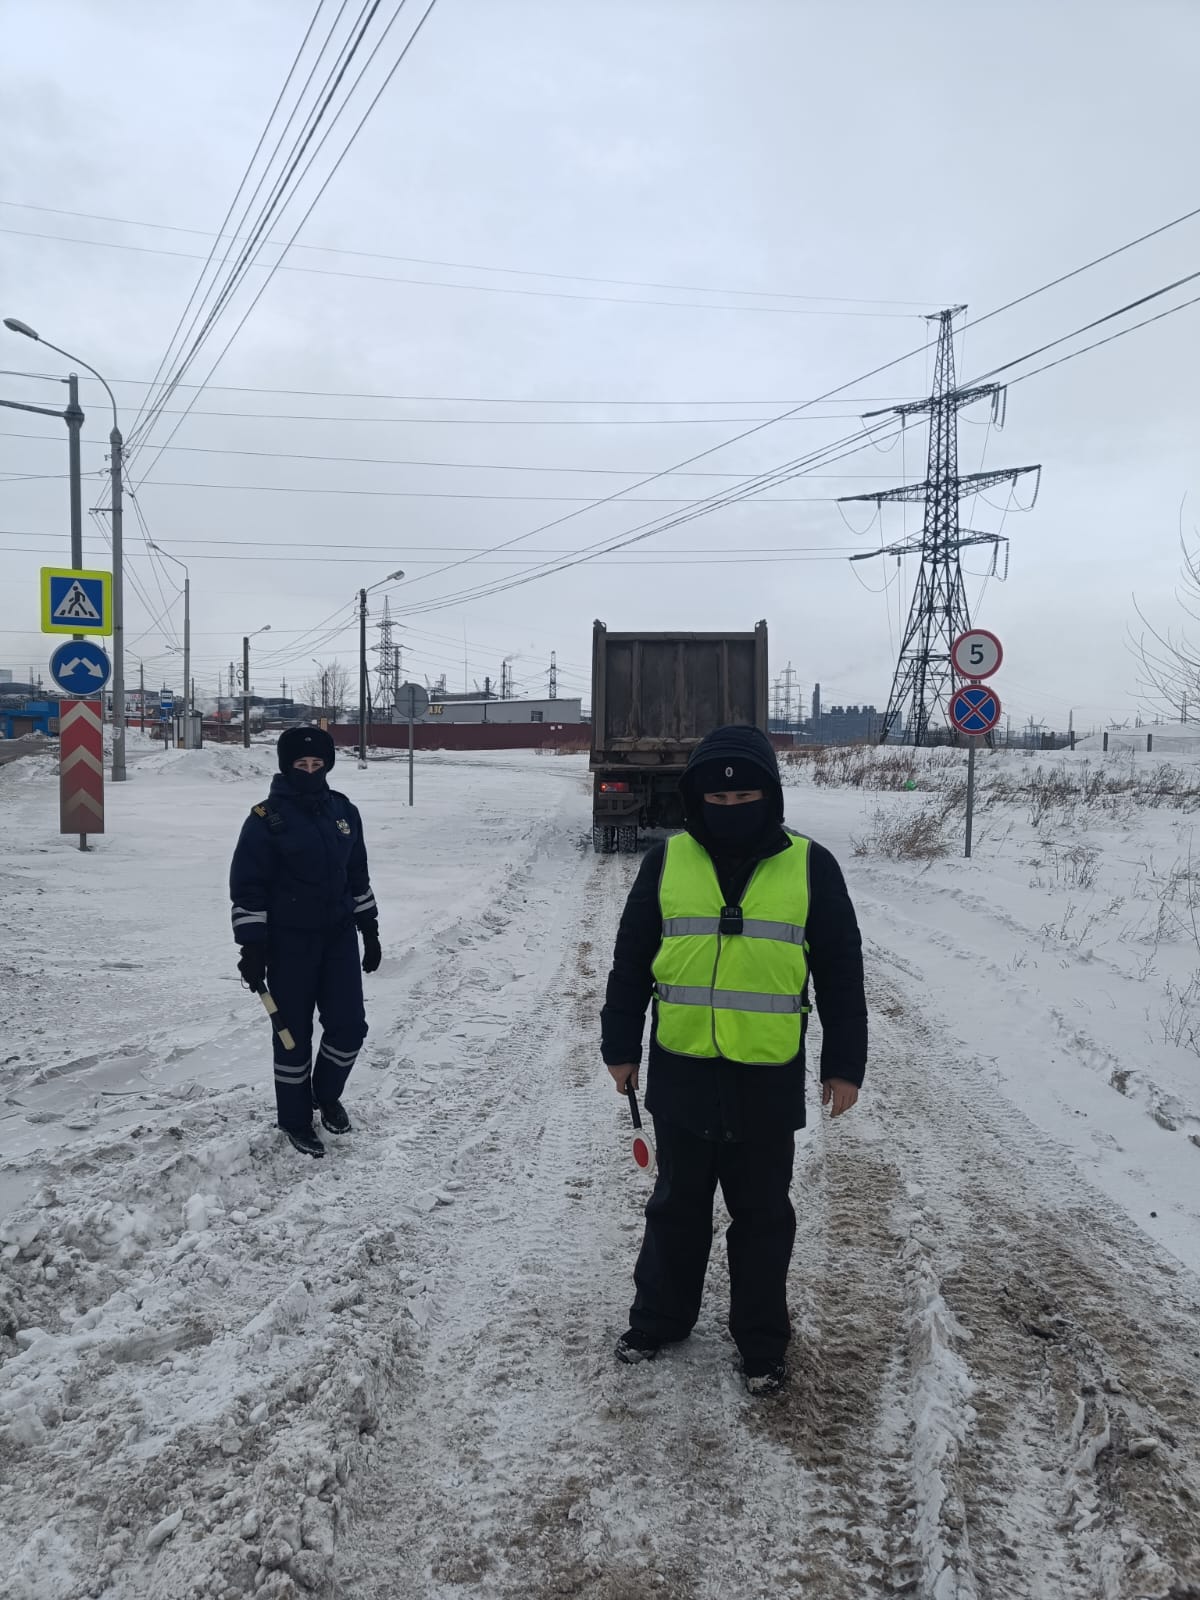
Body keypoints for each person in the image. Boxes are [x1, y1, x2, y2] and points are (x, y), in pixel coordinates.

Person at [601, 724, 867, 1395]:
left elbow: (840, 973)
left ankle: (761, 1343)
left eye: (745, 794)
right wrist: (619, 1045)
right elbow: (631, 960)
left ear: (770, 796)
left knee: (763, 1217)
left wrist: (845, 1062)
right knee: (676, 1208)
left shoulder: (812, 866)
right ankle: (659, 1318)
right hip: (683, 1070)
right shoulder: (667, 863)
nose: (729, 808)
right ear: (695, 800)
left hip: (766, 1081)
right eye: (716, 800)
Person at [229, 726, 382, 1158]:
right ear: (286, 766)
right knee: (293, 1037)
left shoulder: (344, 812)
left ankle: (326, 1094)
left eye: (318, 764)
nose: (310, 771)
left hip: (338, 940)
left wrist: (369, 929)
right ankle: (295, 1118)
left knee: (349, 1027)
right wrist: (252, 947)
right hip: (288, 945)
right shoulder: (265, 819)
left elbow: (357, 876)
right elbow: (248, 888)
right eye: (301, 765)